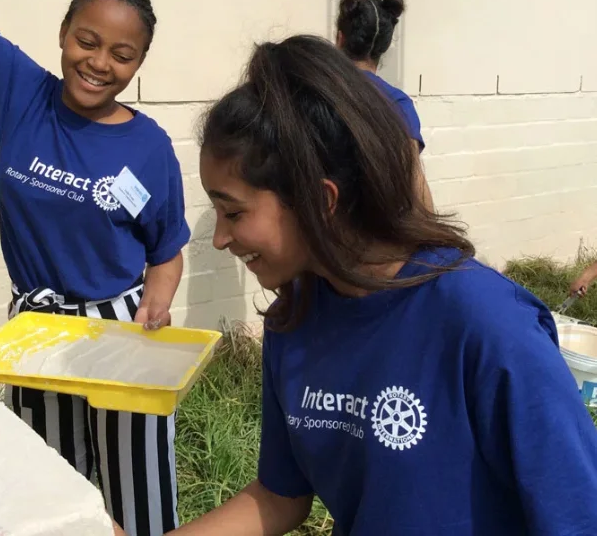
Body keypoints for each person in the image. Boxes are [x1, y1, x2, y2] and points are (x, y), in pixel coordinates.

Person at [118, 34, 597, 535]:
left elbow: (577, 515)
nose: (219, 239)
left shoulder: (488, 325)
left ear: (320, 200)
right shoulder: (295, 318)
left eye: (234, 212)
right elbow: (280, 495)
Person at [0, 0, 190, 536]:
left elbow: (166, 251)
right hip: (37, 330)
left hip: (122, 331)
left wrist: (156, 303)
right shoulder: (20, 94)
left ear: (138, 64)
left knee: (140, 491)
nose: (99, 62)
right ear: (62, 34)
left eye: (122, 55)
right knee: (53, 490)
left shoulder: (149, 148)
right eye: (87, 41)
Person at [336, 0, 434, 211]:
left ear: (340, 38)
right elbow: (415, 184)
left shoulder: (315, 90)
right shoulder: (397, 103)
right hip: (374, 232)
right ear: (385, 46)